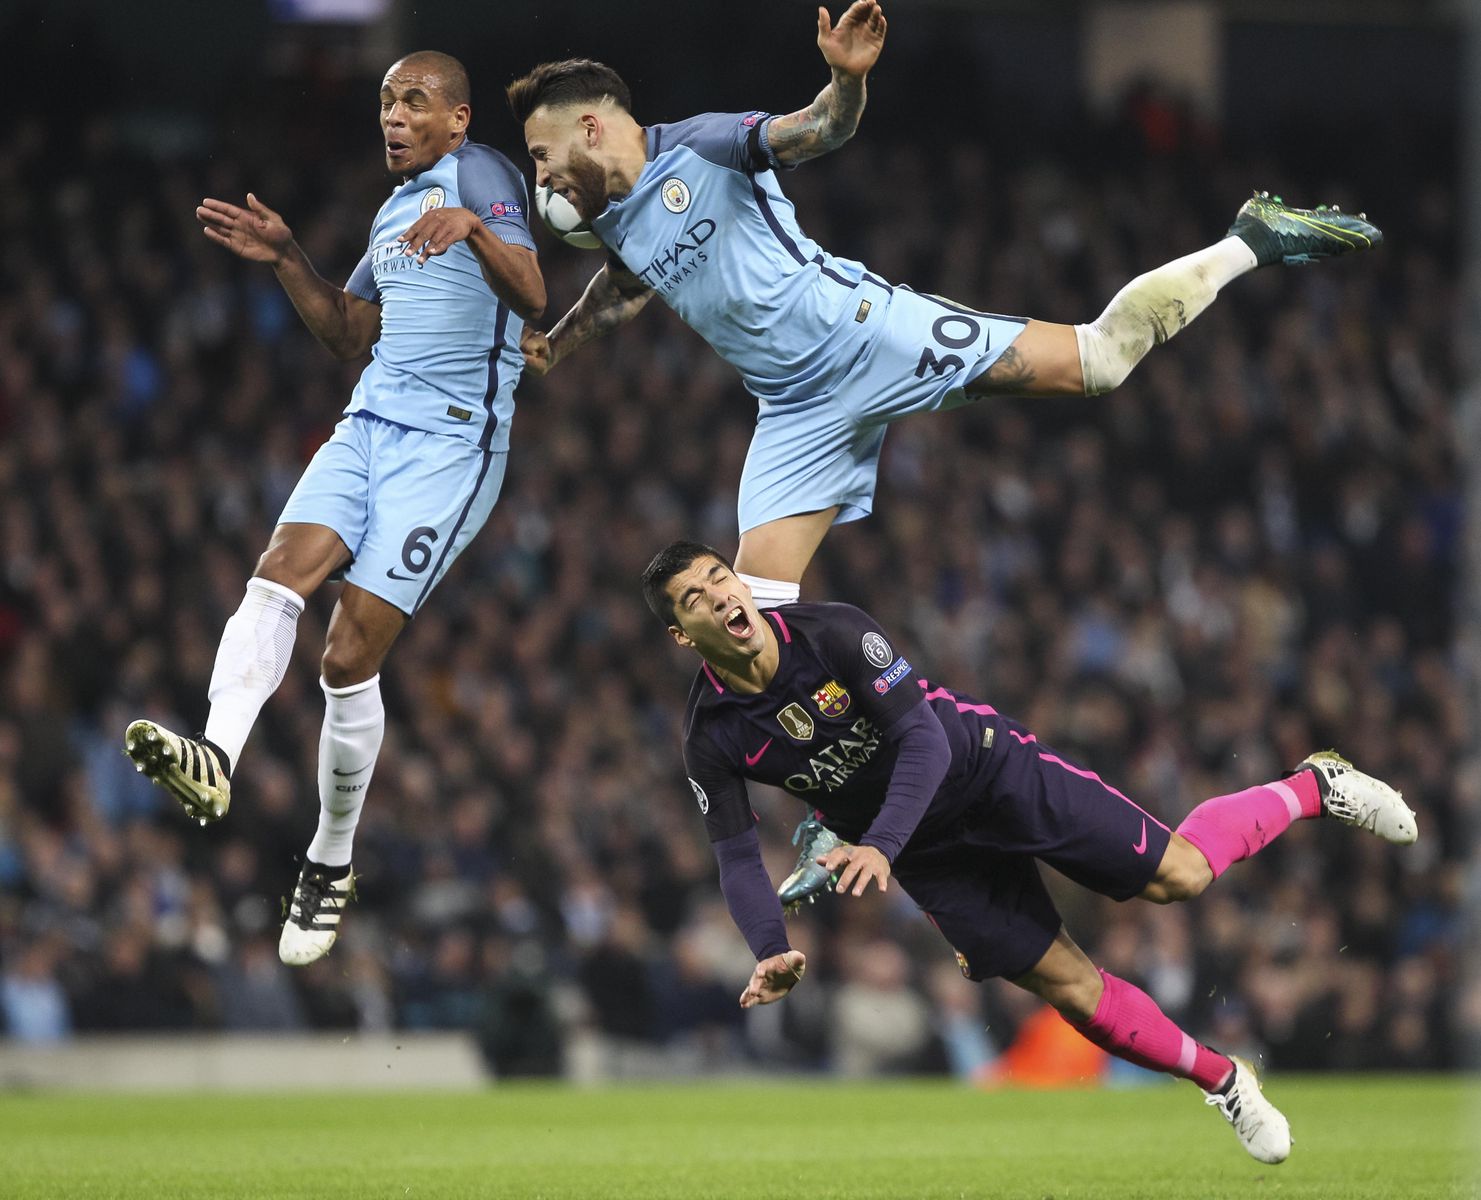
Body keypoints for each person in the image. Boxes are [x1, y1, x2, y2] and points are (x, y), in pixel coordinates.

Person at [510, 3, 1381, 607]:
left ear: (591, 127)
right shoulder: (612, 224)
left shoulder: (703, 146)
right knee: (760, 612)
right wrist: (556, 343)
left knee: (1098, 362)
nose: (541, 177)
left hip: (866, 336)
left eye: (543, 154)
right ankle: (834, 807)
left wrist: (845, 81)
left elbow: (819, 130)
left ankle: (1252, 238)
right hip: (792, 410)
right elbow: (625, 289)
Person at [640, 540, 1418, 1162]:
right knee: (1072, 991)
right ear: (682, 634)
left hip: (984, 769)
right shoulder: (711, 737)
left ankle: (1314, 786)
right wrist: (769, 949)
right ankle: (1224, 1080)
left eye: (721, 577)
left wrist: (877, 840)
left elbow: (920, 738)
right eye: (695, 599)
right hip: (929, 853)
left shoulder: (833, 631)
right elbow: (737, 856)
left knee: (1176, 877)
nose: (720, 596)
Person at [124, 51, 545, 967]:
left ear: (458, 118)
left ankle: (329, 859)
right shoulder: (394, 212)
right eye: (386, 102)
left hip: (451, 445)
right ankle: (218, 756)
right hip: (369, 424)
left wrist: (474, 228)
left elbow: (534, 293)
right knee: (277, 571)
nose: (394, 116)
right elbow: (350, 333)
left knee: (348, 654)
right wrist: (287, 258)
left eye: (414, 102)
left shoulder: (483, 177)